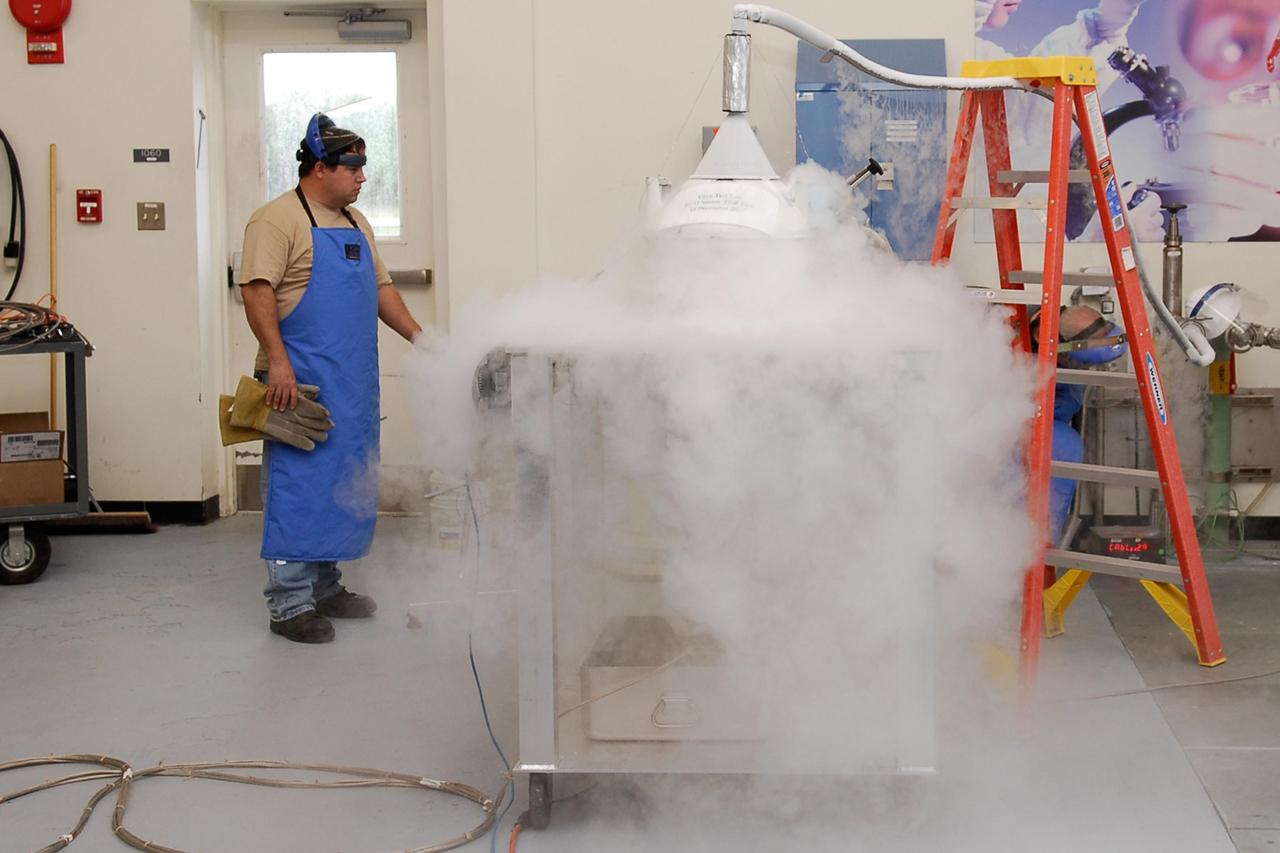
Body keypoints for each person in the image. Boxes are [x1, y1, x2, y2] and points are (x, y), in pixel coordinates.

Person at [239, 113, 422, 643]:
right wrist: (278, 361)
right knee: (301, 487)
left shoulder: (356, 223)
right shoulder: (277, 221)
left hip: (353, 385)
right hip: (300, 383)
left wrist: (419, 337)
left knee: (346, 484)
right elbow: (256, 290)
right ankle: (289, 603)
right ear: (321, 168)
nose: (363, 177)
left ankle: (326, 586)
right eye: (354, 167)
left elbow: (383, 289)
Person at [1030, 304, 1128, 542]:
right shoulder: (1007, 328)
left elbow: (1070, 400)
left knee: (1064, 447)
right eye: (1079, 362)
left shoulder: (1066, 343)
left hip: (1050, 425)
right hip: (1005, 425)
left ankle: (1043, 544)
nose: (1082, 368)